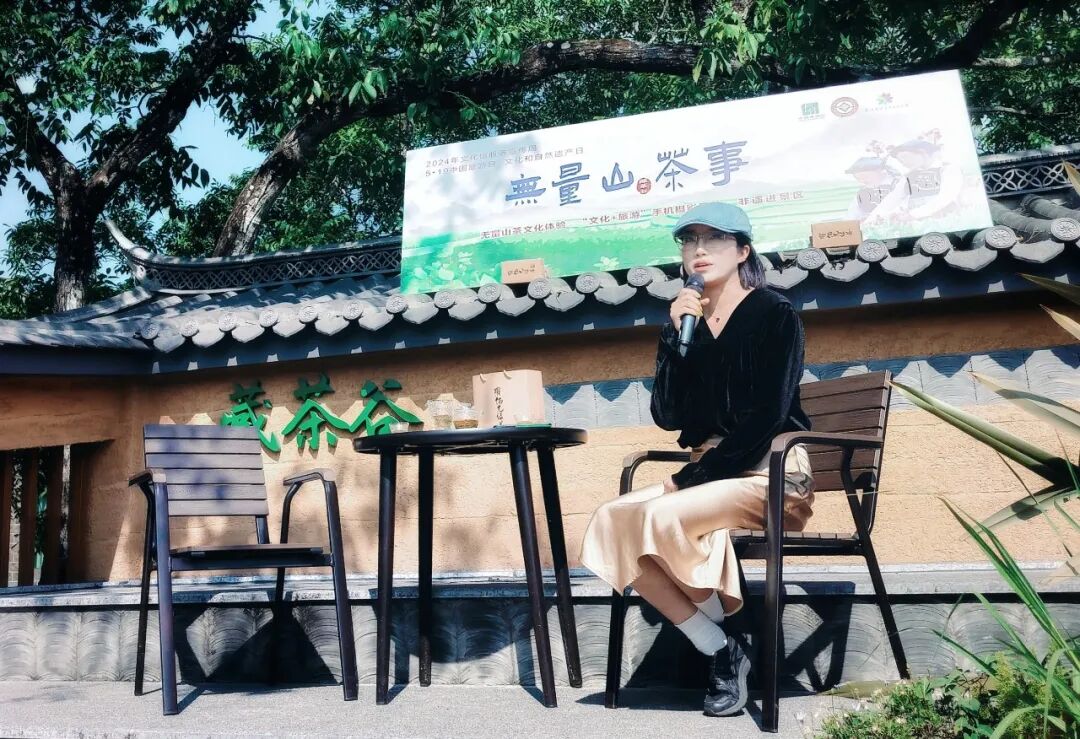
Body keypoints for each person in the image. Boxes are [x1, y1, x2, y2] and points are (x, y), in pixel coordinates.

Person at [579, 202, 815, 717]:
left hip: (771, 474)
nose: (699, 250)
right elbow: (668, 415)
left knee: (662, 515)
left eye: (714, 239)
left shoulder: (774, 313)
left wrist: (693, 477)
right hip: (709, 477)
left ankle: (731, 636)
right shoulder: (690, 322)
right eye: (690, 241)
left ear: (743, 251)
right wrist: (673, 339)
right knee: (611, 521)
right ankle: (722, 645)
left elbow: (769, 415)